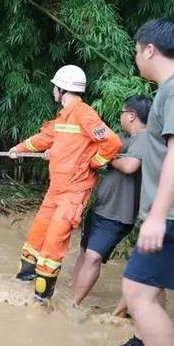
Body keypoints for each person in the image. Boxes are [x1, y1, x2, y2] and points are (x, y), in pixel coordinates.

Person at [8, 64, 122, 301]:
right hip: (56, 189)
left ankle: (41, 301)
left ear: (62, 89)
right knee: (37, 235)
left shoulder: (84, 113)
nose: (53, 91)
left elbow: (112, 142)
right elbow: (44, 138)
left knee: (53, 244)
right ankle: (22, 284)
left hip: (74, 192)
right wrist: (18, 149)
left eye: (54, 87)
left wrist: (93, 162)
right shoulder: (63, 117)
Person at [120, 19, 174, 346]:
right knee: (147, 288)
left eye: (137, 51)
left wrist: (158, 216)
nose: (136, 58)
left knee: (137, 293)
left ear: (150, 49)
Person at [71, 95, 152, 307]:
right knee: (84, 251)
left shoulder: (144, 138)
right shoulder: (125, 139)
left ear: (132, 115)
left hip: (118, 214)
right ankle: (70, 295)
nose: (121, 117)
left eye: (122, 113)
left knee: (93, 257)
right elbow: (100, 147)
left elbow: (130, 166)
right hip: (101, 208)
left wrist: (105, 158)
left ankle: (74, 305)